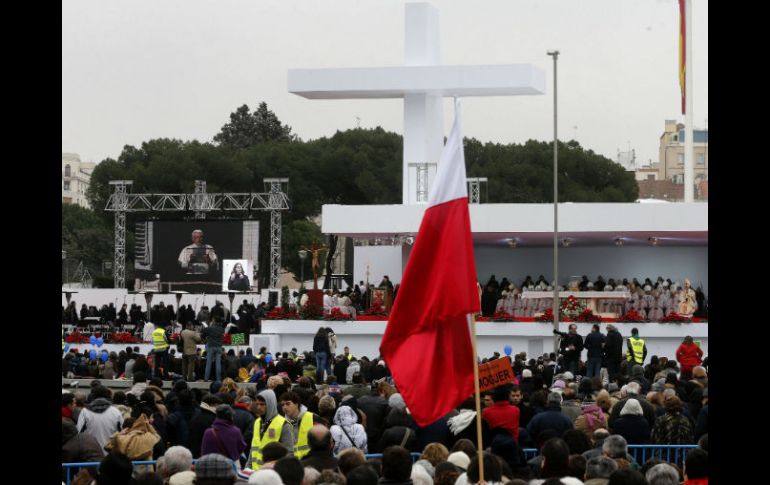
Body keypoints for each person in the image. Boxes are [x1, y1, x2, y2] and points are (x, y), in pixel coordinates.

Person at [250, 389, 295, 470]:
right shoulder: (257, 422)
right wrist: (247, 468)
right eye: (257, 404)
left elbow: (289, 453)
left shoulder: (284, 424)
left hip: (273, 474)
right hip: (255, 473)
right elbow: (253, 449)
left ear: (270, 404)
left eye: (262, 404)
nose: (259, 407)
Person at [280, 391, 323, 460]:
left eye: (288, 404)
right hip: (291, 463)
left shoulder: (313, 418)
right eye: (282, 405)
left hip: (311, 462)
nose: (284, 407)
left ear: (296, 404)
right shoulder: (281, 422)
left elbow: (324, 441)